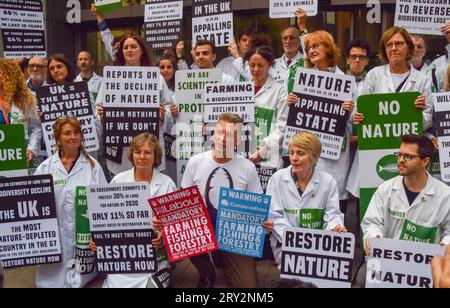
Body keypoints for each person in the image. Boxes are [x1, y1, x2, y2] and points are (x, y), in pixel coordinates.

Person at [180, 113, 273, 288]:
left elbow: (258, 208)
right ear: (213, 134)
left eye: (230, 135)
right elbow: (185, 202)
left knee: (249, 288)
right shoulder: (195, 162)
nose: (223, 139)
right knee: (184, 227)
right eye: (220, 132)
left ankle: (222, 256)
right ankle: (206, 272)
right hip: (204, 227)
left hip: (234, 233)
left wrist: (264, 223)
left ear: (238, 140)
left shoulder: (247, 167)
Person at [356, 135, 450, 287]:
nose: (400, 160)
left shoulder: (445, 194)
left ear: (425, 161)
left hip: (425, 266)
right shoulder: (385, 189)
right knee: (362, 277)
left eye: (408, 156)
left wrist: (445, 245)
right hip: (389, 261)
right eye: (399, 154)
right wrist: (373, 236)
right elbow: (372, 222)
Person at [287, 30, 355, 215]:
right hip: (309, 148)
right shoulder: (303, 79)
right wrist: (291, 104)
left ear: (329, 49)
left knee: (333, 202)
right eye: (309, 48)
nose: (311, 50)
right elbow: (294, 119)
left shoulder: (346, 81)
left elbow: (353, 120)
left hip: (334, 152)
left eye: (316, 46)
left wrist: (350, 110)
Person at [34, 116, 106, 288]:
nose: (73, 137)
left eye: (76, 133)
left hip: (82, 238)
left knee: (82, 276)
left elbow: (103, 203)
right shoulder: (45, 168)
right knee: (52, 278)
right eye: (67, 133)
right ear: (58, 138)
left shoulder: (92, 166)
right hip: (54, 238)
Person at [100, 133, 176, 288]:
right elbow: (106, 221)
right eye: (137, 152)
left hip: (156, 256)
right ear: (132, 154)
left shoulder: (167, 184)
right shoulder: (118, 180)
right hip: (123, 254)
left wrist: (163, 235)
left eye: (147, 152)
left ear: (156, 156)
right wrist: (99, 240)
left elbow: (176, 226)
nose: (142, 157)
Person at [96, 34, 171, 176]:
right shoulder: (111, 77)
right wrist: (102, 114)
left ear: (142, 50)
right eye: (125, 47)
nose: (129, 50)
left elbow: (168, 107)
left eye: (133, 46)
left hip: (149, 142)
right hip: (120, 146)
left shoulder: (156, 77)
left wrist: (163, 115)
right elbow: (98, 107)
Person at [267, 132, 346, 265]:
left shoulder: (328, 182)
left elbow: (333, 215)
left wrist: (334, 229)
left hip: (318, 246)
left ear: (314, 157)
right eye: (291, 152)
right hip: (286, 245)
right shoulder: (277, 179)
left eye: (300, 153)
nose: (294, 158)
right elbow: (274, 215)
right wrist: (297, 241)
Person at [354, 27, 433, 131]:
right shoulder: (374, 75)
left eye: (399, 44)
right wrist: (358, 116)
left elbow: (428, 119)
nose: (394, 48)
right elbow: (362, 109)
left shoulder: (422, 79)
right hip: (379, 143)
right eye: (389, 45)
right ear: (385, 50)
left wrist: (416, 114)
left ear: (409, 47)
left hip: (408, 143)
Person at [245, 45, 288, 171]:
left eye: (261, 65)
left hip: (268, 161)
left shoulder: (280, 90)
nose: (256, 70)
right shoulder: (240, 90)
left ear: (269, 65)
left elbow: (282, 126)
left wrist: (263, 151)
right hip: (242, 156)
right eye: (252, 65)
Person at [0, 58, 42, 164]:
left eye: (2, 72)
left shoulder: (27, 98)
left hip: (22, 154)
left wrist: (31, 149)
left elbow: (36, 128)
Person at [270, 8, 308, 86]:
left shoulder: (307, 62)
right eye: (285, 38)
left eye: (292, 38)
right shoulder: (273, 64)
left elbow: (309, 47)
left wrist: (302, 26)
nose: (288, 41)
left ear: (299, 41)